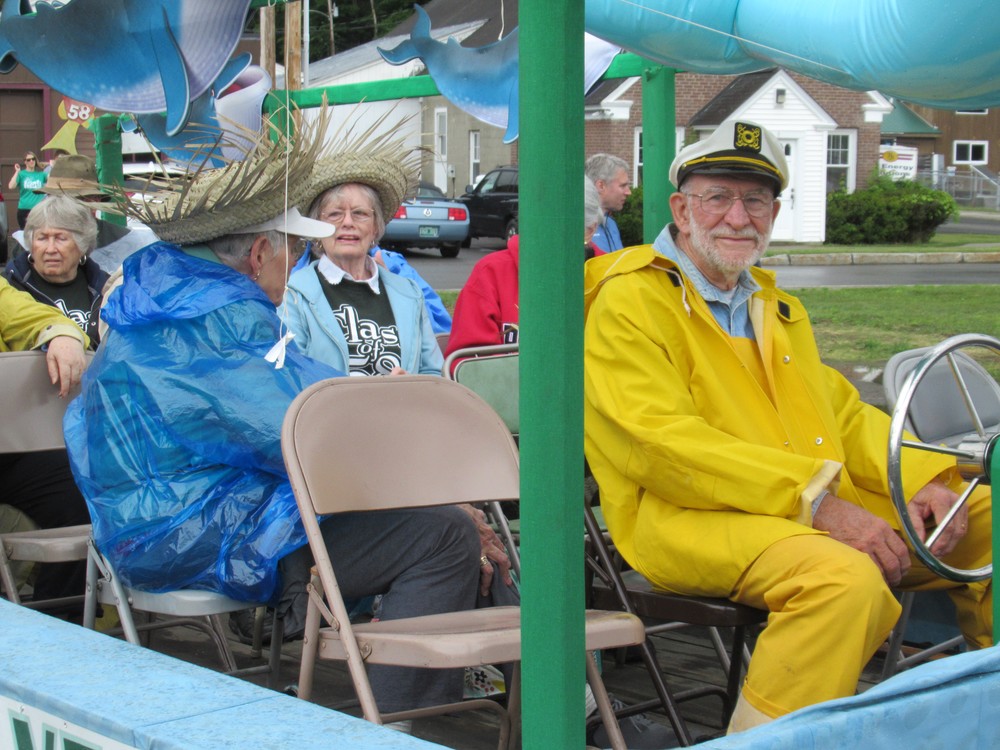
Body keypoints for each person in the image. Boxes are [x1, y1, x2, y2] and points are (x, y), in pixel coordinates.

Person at [64, 115, 510, 717]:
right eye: (293, 247)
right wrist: (429, 479)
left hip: (175, 523)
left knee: (445, 523)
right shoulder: (219, 321)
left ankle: (520, 684)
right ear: (258, 254)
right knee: (447, 534)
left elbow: (295, 412)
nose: (296, 258)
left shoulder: (175, 307)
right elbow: (302, 433)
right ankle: (404, 725)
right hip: (195, 534)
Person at [582, 119, 992, 734]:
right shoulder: (630, 300)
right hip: (685, 517)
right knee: (842, 580)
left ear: (774, 212)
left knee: (984, 515)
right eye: (718, 197)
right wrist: (817, 503)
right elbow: (661, 445)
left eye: (756, 200)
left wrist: (927, 478)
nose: (738, 217)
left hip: (794, 506)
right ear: (681, 209)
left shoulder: (771, 304)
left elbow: (842, 414)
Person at [280, 157, 444, 376]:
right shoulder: (293, 295)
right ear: (317, 227)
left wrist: (408, 386)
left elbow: (434, 373)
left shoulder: (409, 293)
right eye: (335, 214)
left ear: (375, 227)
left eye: (360, 213)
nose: (348, 222)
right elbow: (289, 374)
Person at [0, 273, 91, 607]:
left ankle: (60, 618)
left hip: (9, 448)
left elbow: (29, 314)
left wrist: (62, 335)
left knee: (81, 490)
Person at [445, 178, 603, 356]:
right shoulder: (491, 273)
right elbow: (468, 360)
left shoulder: (610, 277)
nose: (545, 235)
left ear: (589, 231)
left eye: (559, 226)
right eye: (538, 222)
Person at [7, 196, 109, 348]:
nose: (50, 249)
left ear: (83, 244)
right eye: (42, 238)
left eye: (61, 238)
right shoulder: (10, 286)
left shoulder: (104, 288)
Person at [36, 154, 158, 273]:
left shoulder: (133, 244)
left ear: (93, 201)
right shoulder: (32, 243)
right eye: (52, 198)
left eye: (67, 200)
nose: (57, 207)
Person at [585, 153, 631, 253]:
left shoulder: (611, 224)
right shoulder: (582, 225)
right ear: (601, 186)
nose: (628, 192)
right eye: (623, 186)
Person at [8, 151, 47, 230]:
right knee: (25, 232)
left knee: (38, 232)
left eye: (33, 159)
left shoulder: (41, 174)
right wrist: (17, 172)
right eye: (28, 160)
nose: (31, 161)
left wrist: (52, 165)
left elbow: (53, 181)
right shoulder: (21, 174)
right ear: (25, 162)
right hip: (24, 209)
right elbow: (11, 186)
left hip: (38, 210)